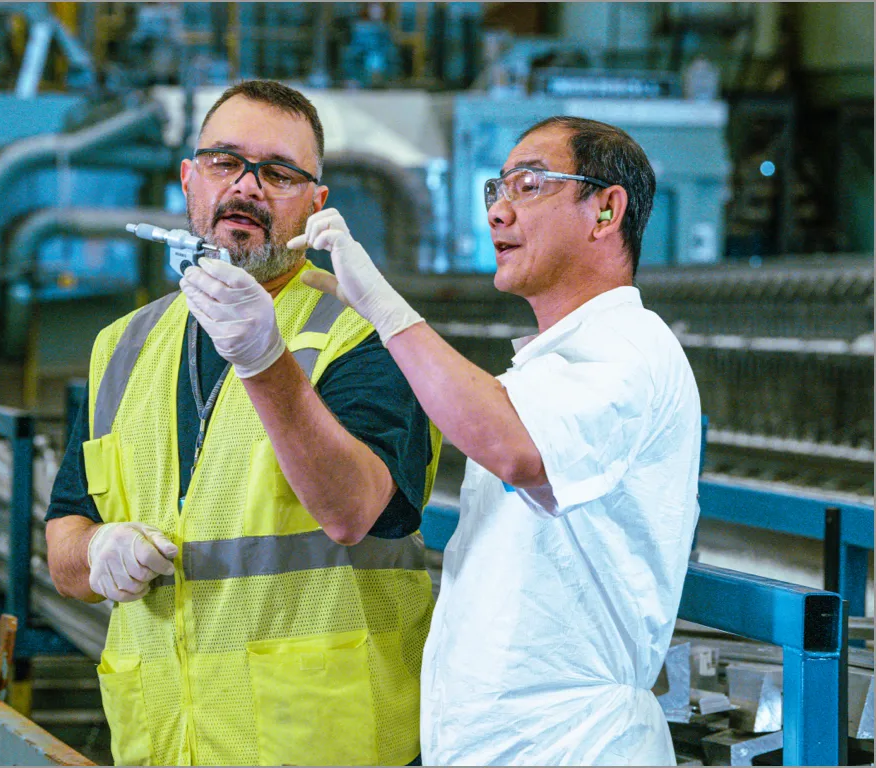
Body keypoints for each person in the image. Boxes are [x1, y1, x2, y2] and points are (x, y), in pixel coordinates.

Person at [45, 80, 441, 767]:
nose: (249, 187)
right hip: (165, 745)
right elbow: (64, 548)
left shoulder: (365, 335)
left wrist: (263, 360)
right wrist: (100, 548)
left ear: (317, 206)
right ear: (189, 180)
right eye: (226, 163)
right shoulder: (124, 346)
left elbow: (352, 510)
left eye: (280, 173)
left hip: (323, 746)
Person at [294, 116, 702, 765]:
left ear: (604, 210)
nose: (499, 214)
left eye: (529, 185)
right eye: (496, 191)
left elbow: (514, 445)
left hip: (575, 747)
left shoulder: (632, 347)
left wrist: (385, 309)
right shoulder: (547, 366)